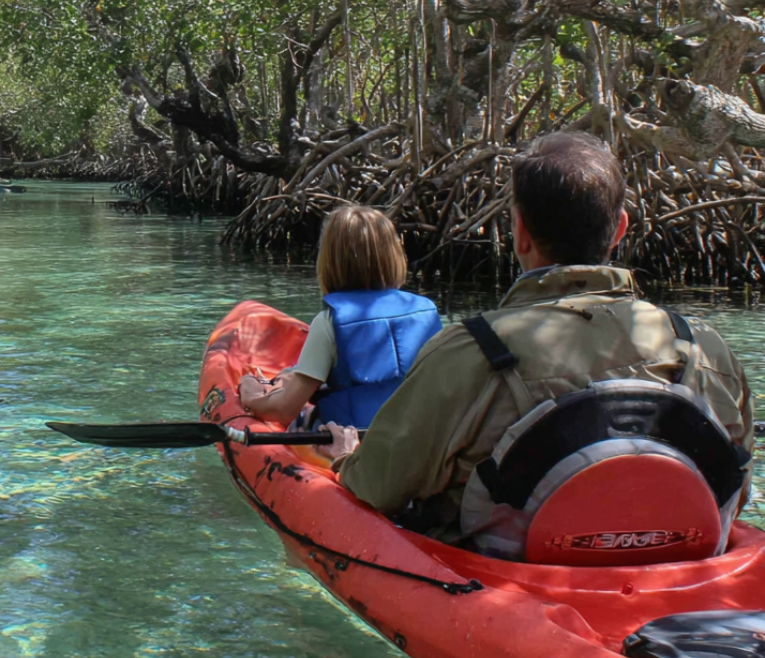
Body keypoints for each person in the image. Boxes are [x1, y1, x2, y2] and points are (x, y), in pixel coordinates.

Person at [322, 132, 752, 558]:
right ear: (619, 229)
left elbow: (378, 489)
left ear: (520, 232)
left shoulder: (467, 351)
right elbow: (740, 487)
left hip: (508, 582)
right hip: (686, 571)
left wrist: (346, 459)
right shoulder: (703, 345)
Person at [239, 205, 441, 430]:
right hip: (421, 439)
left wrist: (251, 395)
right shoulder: (426, 312)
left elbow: (284, 410)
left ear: (329, 260)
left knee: (303, 418)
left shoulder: (329, 323)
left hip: (355, 445)